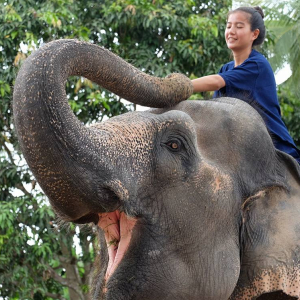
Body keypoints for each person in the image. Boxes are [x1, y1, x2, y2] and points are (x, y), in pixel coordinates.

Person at [192, 6, 300, 164]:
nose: (231, 31)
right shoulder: (226, 68)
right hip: (240, 148)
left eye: (239, 26)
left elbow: (215, 82)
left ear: (254, 34)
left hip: (274, 148)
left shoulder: (257, 65)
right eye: (228, 26)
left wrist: (178, 85)